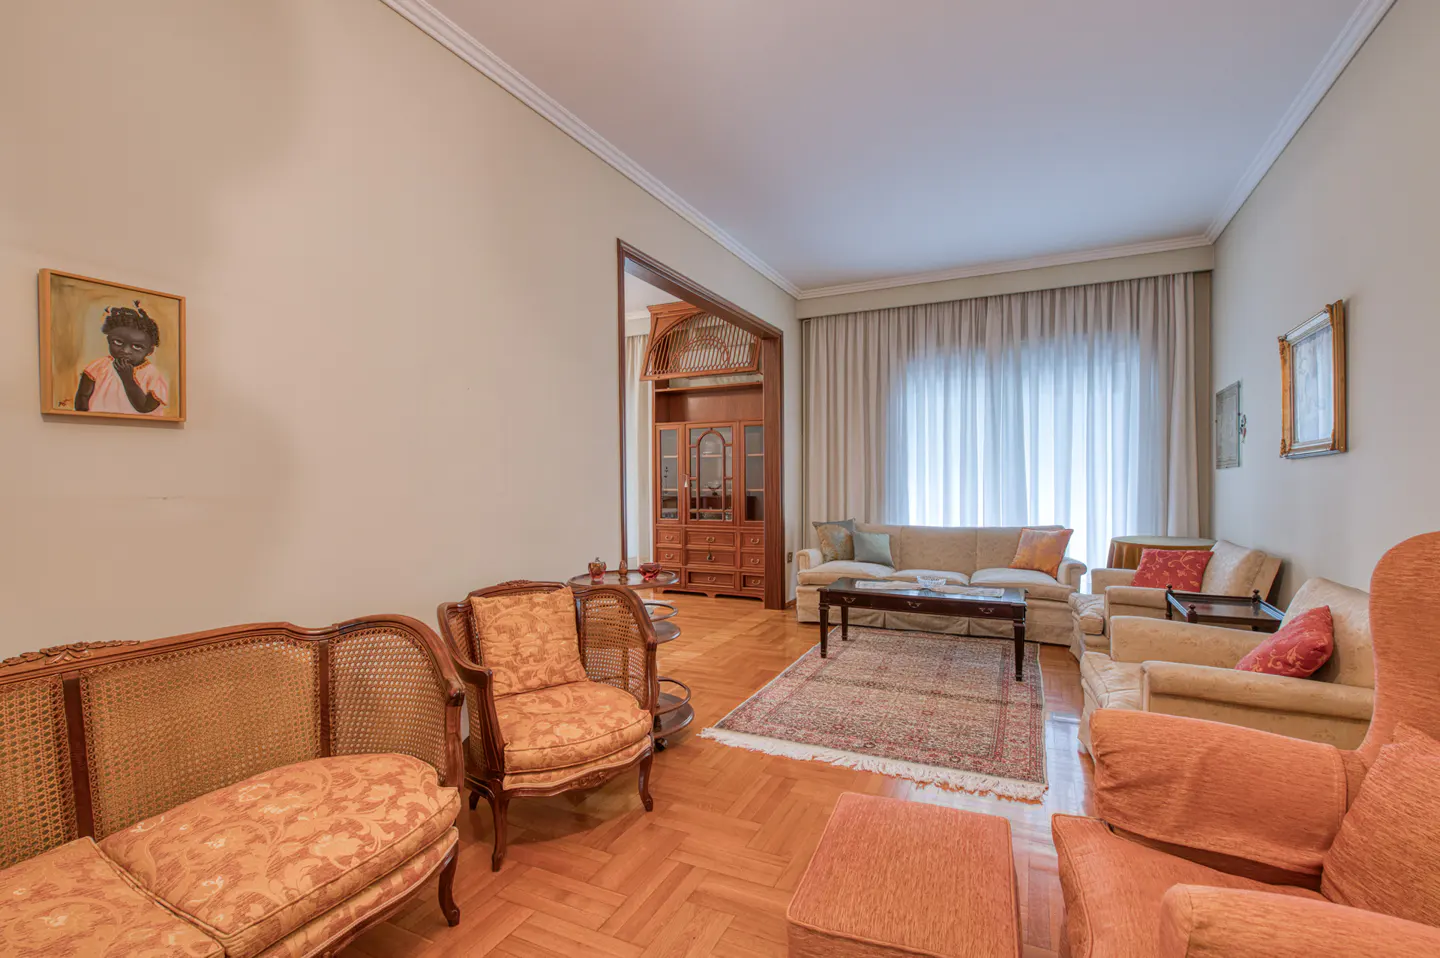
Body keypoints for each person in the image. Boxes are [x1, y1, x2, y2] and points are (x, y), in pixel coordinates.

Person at [74, 301, 169, 416]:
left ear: (150, 351)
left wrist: (127, 378)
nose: (125, 350)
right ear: (109, 340)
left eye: (136, 346)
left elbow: (144, 407)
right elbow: (83, 396)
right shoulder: (99, 366)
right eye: (118, 342)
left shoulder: (152, 375)